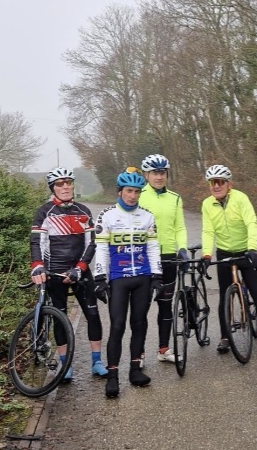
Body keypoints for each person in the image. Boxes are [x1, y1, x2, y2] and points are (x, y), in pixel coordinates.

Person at [30, 167, 108, 382]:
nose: (65, 187)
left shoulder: (83, 211)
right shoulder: (45, 212)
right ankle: (66, 365)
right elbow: (37, 242)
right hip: (55, 272)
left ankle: (97, 361)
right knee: (60, 318)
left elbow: (91, 243)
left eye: (68, 183)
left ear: (73, 185)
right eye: (59, 184)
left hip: (80, 271)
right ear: (53, 188)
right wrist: (37, 265)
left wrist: (79, 268)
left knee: (93, 314)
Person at [94, 168, 163, 398]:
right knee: (117, 326)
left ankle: (135, 370)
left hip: (142, 277)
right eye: (129, 191)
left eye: (137, 192)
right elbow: (102, 248)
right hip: (118, 279)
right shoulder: (107, 215)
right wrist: (100, 277)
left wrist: (157, 275)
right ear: (120, 191)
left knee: (140, 323)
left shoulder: (147, 216)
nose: (133, 196)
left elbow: (153, 247)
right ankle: (113, 376)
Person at [201, 165, 257, 354]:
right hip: (224, 253)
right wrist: (207, 254)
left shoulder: (240, 198)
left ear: (229, 184)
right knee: (224, 297)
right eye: (212, 182)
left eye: (220, 182)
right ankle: (225, 337)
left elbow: (251, 223)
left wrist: (252, 249)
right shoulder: (207, 204)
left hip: (245, 251)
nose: (216, 186)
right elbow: (208, 231)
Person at [138, 154, 189, 366]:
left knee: (166, 305)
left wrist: (182, 249)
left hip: (168, 257)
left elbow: (179, 227)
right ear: (146, 175)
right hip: (144, 258)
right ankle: (138, 354)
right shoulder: (138, 195)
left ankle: (164, 349)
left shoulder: (175, 198)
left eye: (162, 173)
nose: (159, 177)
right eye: (154, 173)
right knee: (141, 307)